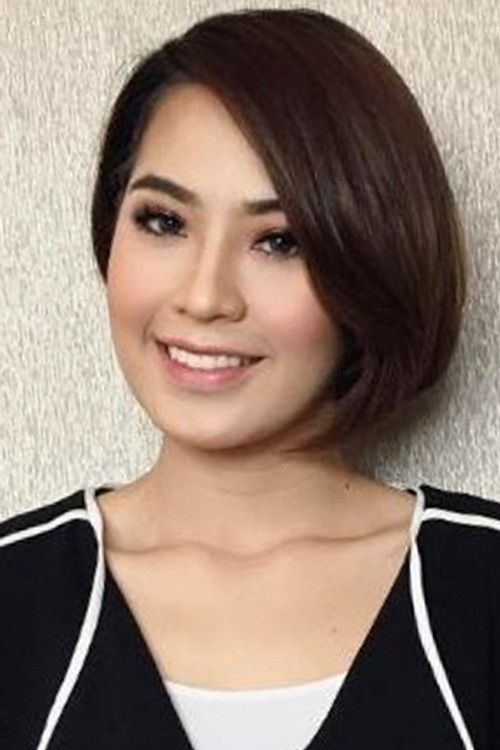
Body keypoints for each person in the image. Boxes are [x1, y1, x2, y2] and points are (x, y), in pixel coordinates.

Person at [1, 7, 499, 750]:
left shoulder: (482, 589)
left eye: (279, 240)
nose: (204, 297)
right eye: (164, 221)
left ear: (372, 264)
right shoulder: (16, 594)